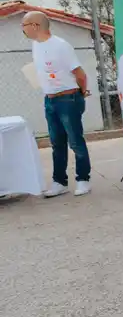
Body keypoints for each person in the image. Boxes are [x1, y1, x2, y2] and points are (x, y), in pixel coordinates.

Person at [22, 11, 92, 197]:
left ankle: (83, 179)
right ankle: (59, 182)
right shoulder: (35, 45)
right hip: (50, 100)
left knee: (75, 141)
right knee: (57, 143)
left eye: (24, 26)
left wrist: (82, 93)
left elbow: (80, 74)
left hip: (68, 99)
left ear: (35, 26)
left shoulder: (61, 46)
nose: (23, 30)